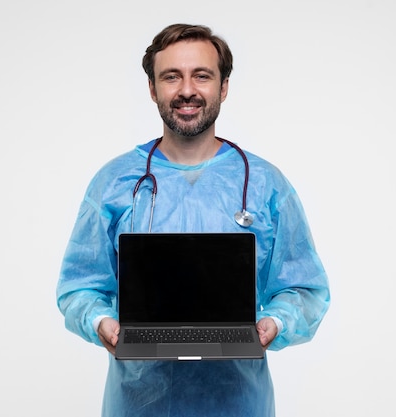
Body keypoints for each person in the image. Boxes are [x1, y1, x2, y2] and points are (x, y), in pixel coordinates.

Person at [56, 23, 330, 417]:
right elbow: (80, 286)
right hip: (138, 401)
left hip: (238, 402)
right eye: (172, 76)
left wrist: (275, 323)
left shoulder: (266, 184)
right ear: (153, 89)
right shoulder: (115, 183)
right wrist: (101, 322)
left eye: (202, 75)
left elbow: (304, 288)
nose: (187, 90)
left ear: (223, 87)